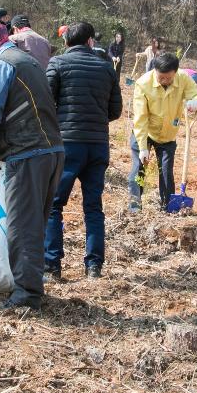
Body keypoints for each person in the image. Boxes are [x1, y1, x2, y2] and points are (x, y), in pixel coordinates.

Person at [0, 22, 64, 312]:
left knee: (22, 226)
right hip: (52, 150)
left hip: (27, 153)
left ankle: (26, 295)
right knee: (34, 223)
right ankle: (31, 284)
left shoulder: (1, 64)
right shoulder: (29, 61)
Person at [44, 22, 122, 281]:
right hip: (98, 145)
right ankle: (94, 267)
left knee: (54, 205)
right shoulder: (106, 68)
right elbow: (115, 111)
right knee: (93, 207)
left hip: (67, 144)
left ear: (66, 42)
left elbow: (45, 101)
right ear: (91, 41)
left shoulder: (57, 64)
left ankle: (52, 266)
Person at [129, 53, 197, 212]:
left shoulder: (183, 78)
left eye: (168, 78)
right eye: (160, 77)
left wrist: (195, 102)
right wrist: (143, 148)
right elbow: (140, 118)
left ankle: (168, 208)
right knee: (138, 169)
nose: (164, 80)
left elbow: (196, 94)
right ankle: (134, 207)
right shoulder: (143, 83)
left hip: (168, 135)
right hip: (145, 133)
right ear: (155, 70)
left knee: (166, 172)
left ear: (175, 73)